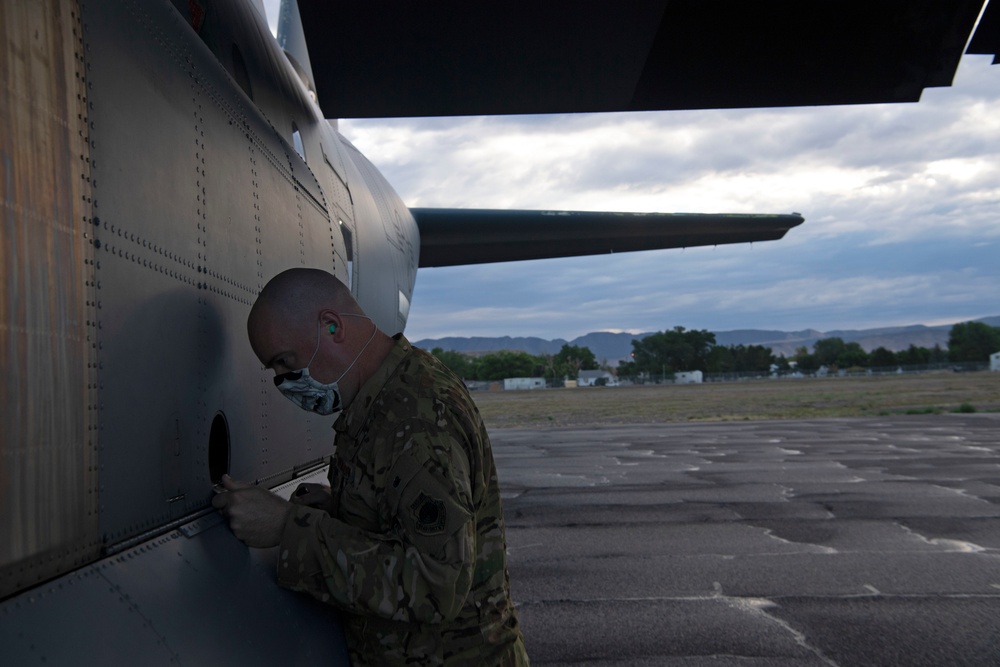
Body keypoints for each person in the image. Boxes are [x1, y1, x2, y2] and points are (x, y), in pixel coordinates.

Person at [212, 268, 528, 666]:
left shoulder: (414, 420)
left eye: (285, 362)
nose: (284, 382)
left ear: (331, 327)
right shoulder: (388, 396)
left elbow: (436, 583)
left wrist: (288, 529)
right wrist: (342, 508)